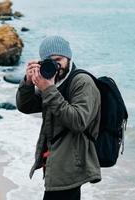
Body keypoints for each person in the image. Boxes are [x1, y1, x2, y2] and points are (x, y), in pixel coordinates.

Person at [16, 36, 101, 200]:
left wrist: (48, 89)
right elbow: (25, 107)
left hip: (70, 166)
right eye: (49, 61)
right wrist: (27, 82)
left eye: (59, 60)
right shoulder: (52, 82)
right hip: (55, 163)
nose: (56, 65)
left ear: (68, 58)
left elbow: (78, 121)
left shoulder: (82, 82)